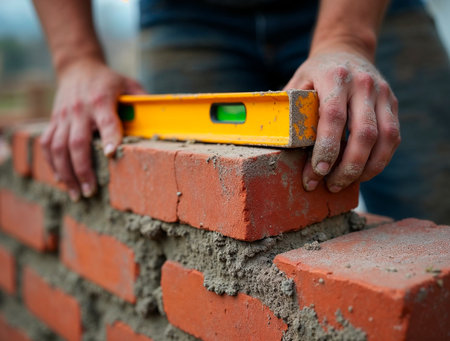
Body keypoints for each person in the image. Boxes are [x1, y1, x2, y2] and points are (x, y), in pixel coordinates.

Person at [34, 0, 444, 223]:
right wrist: (76, 60)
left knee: (436, 206)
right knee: (189, 216)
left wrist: (348, 39)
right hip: (185, 15)